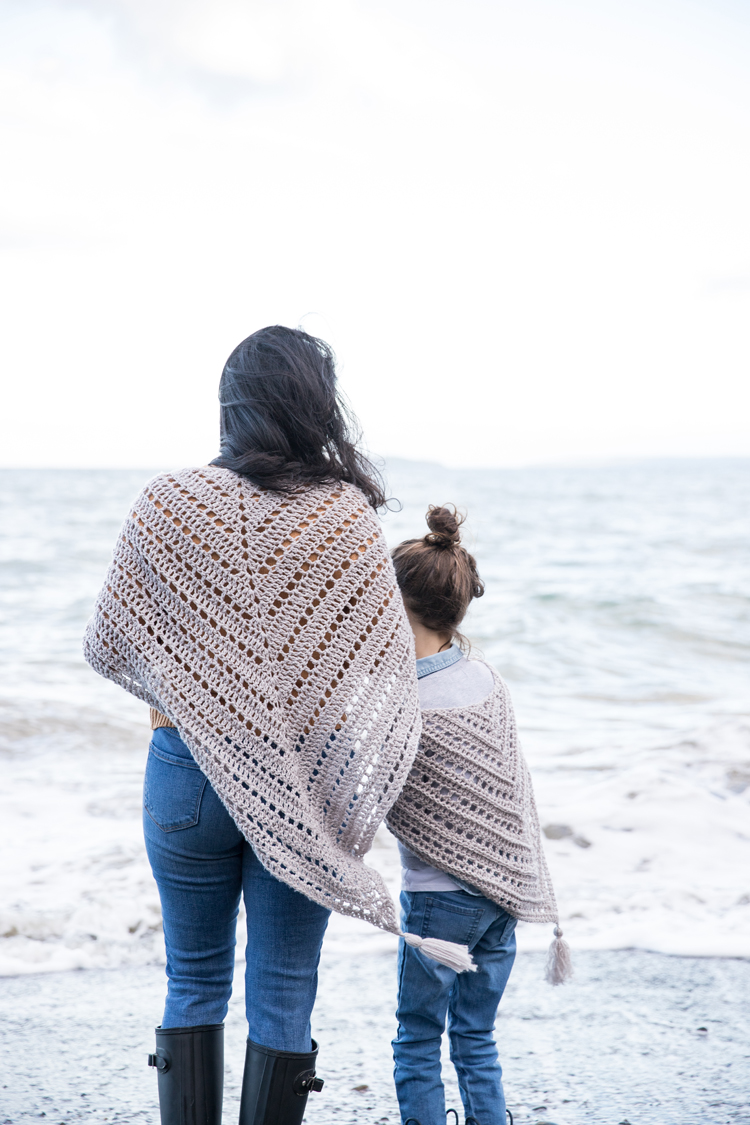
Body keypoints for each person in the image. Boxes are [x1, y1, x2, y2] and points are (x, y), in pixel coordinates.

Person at [83, 326, 426, 1125]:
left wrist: (201, 691)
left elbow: (109, 640)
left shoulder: (167, 500)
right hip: (309, 781)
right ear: (317, 404)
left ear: (230, 407)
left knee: (193, 977)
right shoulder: (343, 516)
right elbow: (381, 674)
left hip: (188, 776)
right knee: (283, 989)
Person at [386, 506, 572, 1125]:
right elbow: (507, 792)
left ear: (393, 603)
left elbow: (367, 787)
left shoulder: (399, 699)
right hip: (503, 896)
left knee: (417, 1036)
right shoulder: (487, 680)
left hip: (440, 902)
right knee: (475, 1037)